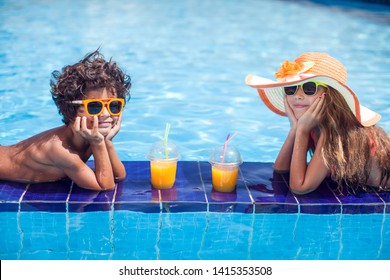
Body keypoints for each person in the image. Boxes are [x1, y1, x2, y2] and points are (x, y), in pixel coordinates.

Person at [245, 52, 389, 194]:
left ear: (329, 96)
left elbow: (300, 188)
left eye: (309, 88)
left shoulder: (336, 132)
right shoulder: (314, 127)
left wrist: (301, 131)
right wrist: (295, 128)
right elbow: (281, 169)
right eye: (291, 89)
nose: (298, 96)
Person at [0, 50, 131, 191]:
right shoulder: (59, 149)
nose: (106, 114)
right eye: (94, 106)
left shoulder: (89, 134)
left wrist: (107, 142)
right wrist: (98, 143)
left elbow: (119, 176)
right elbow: (104, 186)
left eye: (113, 105)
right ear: (72, 110)